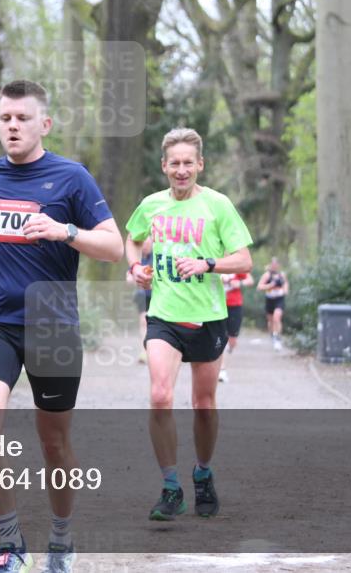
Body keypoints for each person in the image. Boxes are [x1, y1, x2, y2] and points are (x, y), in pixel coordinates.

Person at [0, 80, 124, 573]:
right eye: (5, 118)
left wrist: (65, 231)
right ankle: (11, 544)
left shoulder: (72, 178)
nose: (12, 126)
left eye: (22, 118)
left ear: (44, 124)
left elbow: (115, 247)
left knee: (54, 443)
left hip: (52, 323)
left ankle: (61, 539)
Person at [124, 128, 253, 521]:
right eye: (174, 163)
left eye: (188, 163)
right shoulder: (151, 205)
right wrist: (135, 267)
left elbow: (244, 260)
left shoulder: (218, 206)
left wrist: (208, 263)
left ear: (200, 164)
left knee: (203, 405)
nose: (181, 171)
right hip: (163, 315)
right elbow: (131, 239)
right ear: (164, 166)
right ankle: (170, 486)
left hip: (208, 318)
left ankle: (202, 473)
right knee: (160, 395)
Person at [217, 271, 254, 382]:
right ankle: (222, 370)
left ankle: (228, 349)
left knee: (232, 340)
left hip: (234, 305)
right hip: (218, 305)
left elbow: (250, 280)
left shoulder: (235, 266)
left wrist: (240, 283)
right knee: (222, 338)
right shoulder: (214, 262)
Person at [125, 238, 153, 364]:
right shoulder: (137, 257)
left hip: (157, 295)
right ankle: (144, 351)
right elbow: (130, 273)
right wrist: (130, 277)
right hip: (142, 295)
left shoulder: (158, 255)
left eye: (147, 244)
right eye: (143, 244)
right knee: (143, 321)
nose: (145, 246)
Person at [257, 258, 289, 351]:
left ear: (278, 265)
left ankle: (277, 338)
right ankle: (272, 335)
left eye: (276, 264)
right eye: (273, 264)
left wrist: (285, 290)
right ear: (271, 265)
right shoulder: (267, 275)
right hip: (270, 300)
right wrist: (270, 285)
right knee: (271, 321)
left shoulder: (281, 275)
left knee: (277, 317)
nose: (275, 266)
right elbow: (259, 287)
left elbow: (285, 284)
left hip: (279, 299)